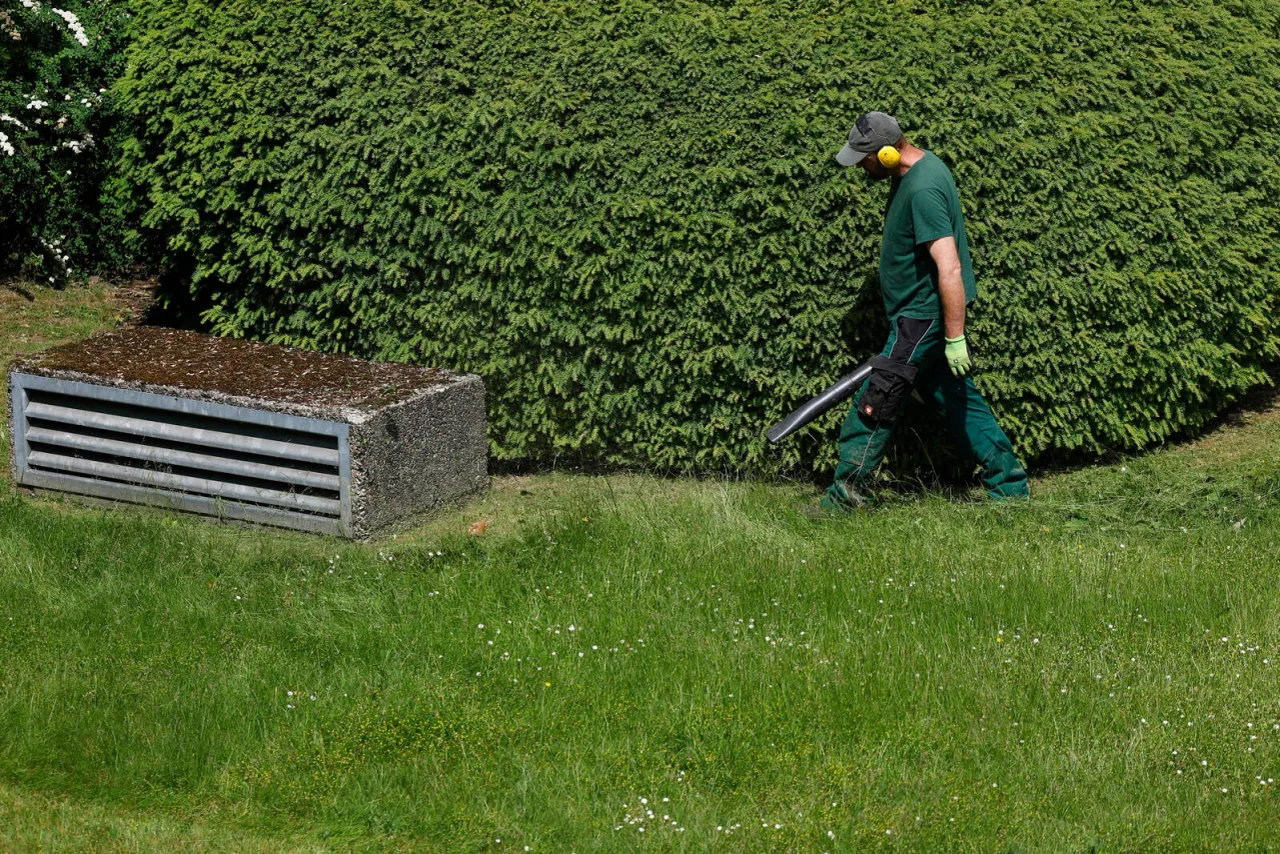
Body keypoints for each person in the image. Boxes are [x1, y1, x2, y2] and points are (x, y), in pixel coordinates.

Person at [819, 111, 1029, 510]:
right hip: (918, 317)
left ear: (886, 152)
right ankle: (1010, 487)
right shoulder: (920, 170)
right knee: (958, 399)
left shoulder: (922, 189)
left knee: (878, 398)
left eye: (863, 157)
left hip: (921, 319)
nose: (860, 165)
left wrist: (954, 336)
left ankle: (844, 500)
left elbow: (948, 265)